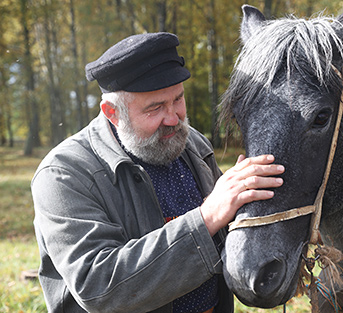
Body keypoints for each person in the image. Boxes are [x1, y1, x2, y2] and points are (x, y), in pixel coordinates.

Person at [31, 32, 285, 313]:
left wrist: (254, 204)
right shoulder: (63, 175)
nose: (173, 118)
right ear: (112, 112)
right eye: (155, 108)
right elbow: (98, 286)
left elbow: (225, 226)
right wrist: (207, 217)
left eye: (178, 99)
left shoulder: (191, 143)